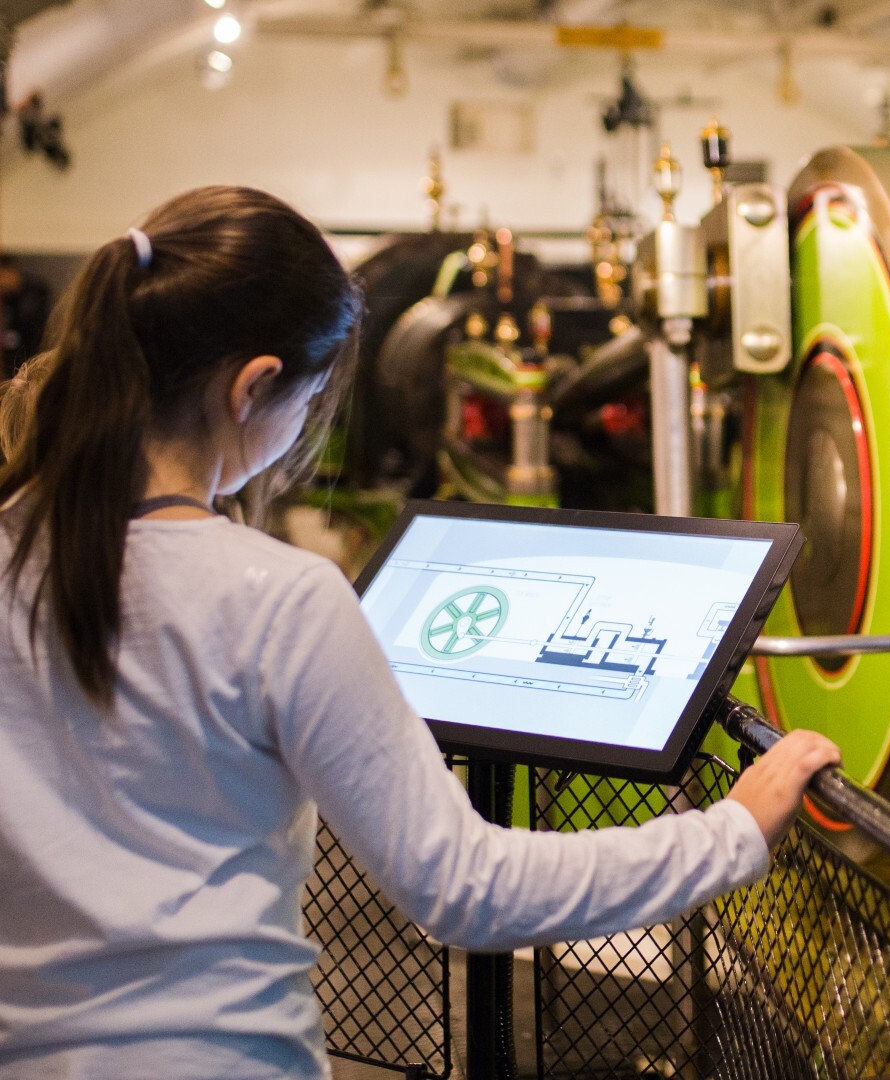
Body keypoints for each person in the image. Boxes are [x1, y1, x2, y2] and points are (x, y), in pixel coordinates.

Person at [0, 186, 839, 1079]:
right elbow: (465, 888)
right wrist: (733, 831)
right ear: (253, 387)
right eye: (310, 400)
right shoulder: (275, 599)